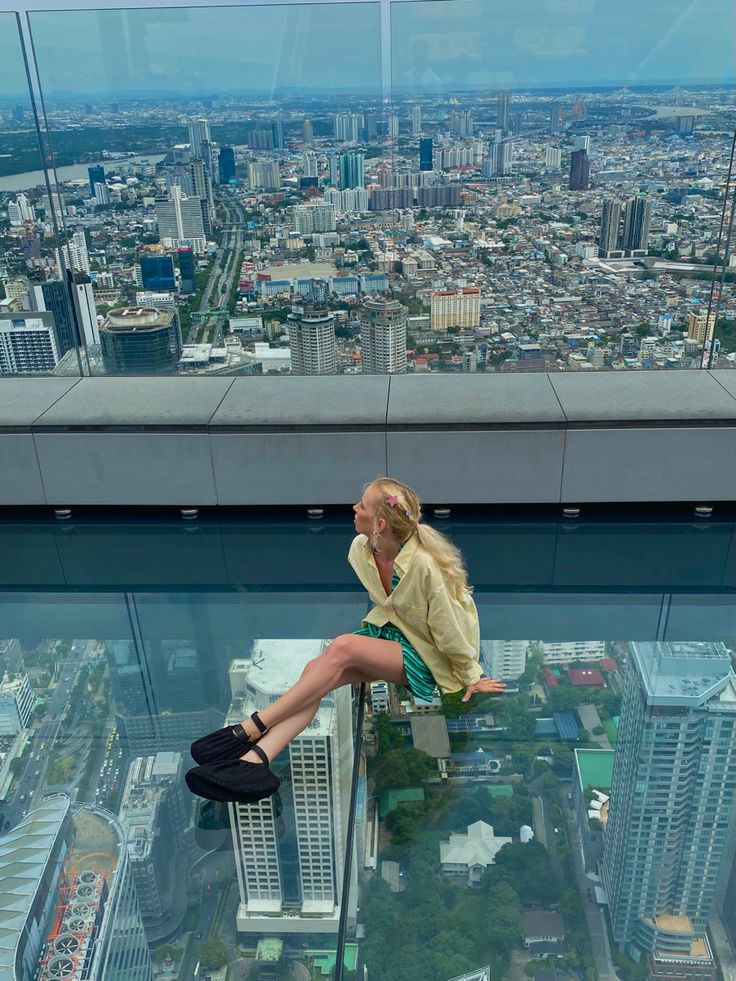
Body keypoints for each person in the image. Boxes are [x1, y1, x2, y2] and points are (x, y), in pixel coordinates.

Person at [185, 478, 506, 804]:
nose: (354, 508)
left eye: (362, 505)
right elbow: (392, 604)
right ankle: (253, 762)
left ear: (380, 522)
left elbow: (450, 628)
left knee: (342, 647)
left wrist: (472, 675)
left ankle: (248, 728)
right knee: (315, 672)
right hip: (393, 634)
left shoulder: (424, 565)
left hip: (429, 654)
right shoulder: (360, 550)